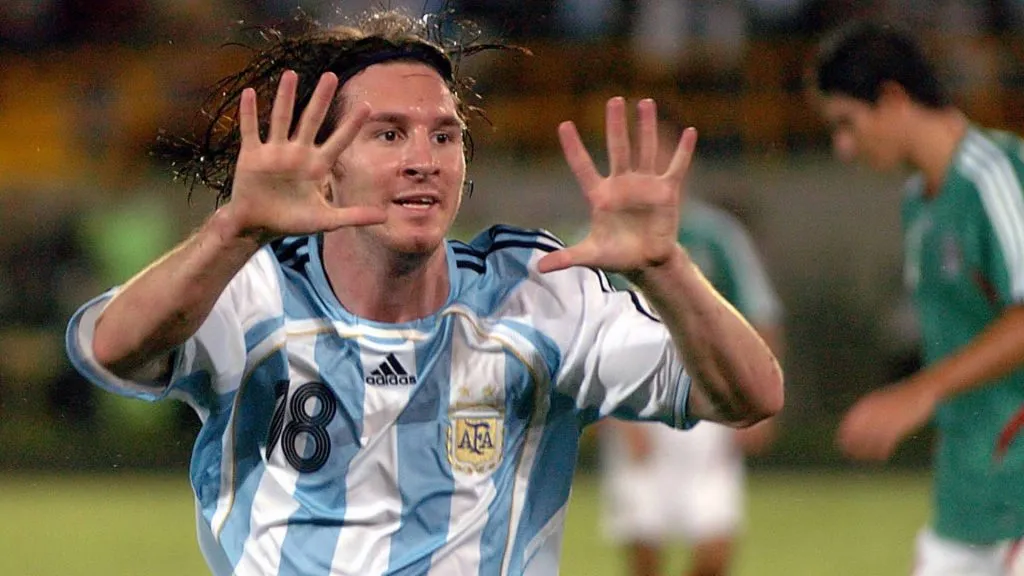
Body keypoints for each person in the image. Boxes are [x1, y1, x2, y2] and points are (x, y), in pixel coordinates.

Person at [64, 7, 783, 576]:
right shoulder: (254, 292)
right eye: (388, 135)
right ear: (326, 168)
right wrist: (234, 230)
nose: (423, 160)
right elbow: (110, 350)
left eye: (444, 136)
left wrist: (665, 268)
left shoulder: (538, 297)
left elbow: (750, 395)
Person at [809, 21, 1024, 575]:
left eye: (847, 123)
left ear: (892, 99)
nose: (843, 147)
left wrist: (920, 392)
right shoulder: (918, 203)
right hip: (968, 499)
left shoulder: (995, 174)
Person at [592, 126, 784, 576]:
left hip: (709, 404)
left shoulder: (716, 235)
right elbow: (585, 339)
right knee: (644, 553)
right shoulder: (602, 238)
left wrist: (759, 403)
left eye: (659, 153)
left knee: (714, 548)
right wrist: (608, 415)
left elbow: (760, 314)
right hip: (633, 404)